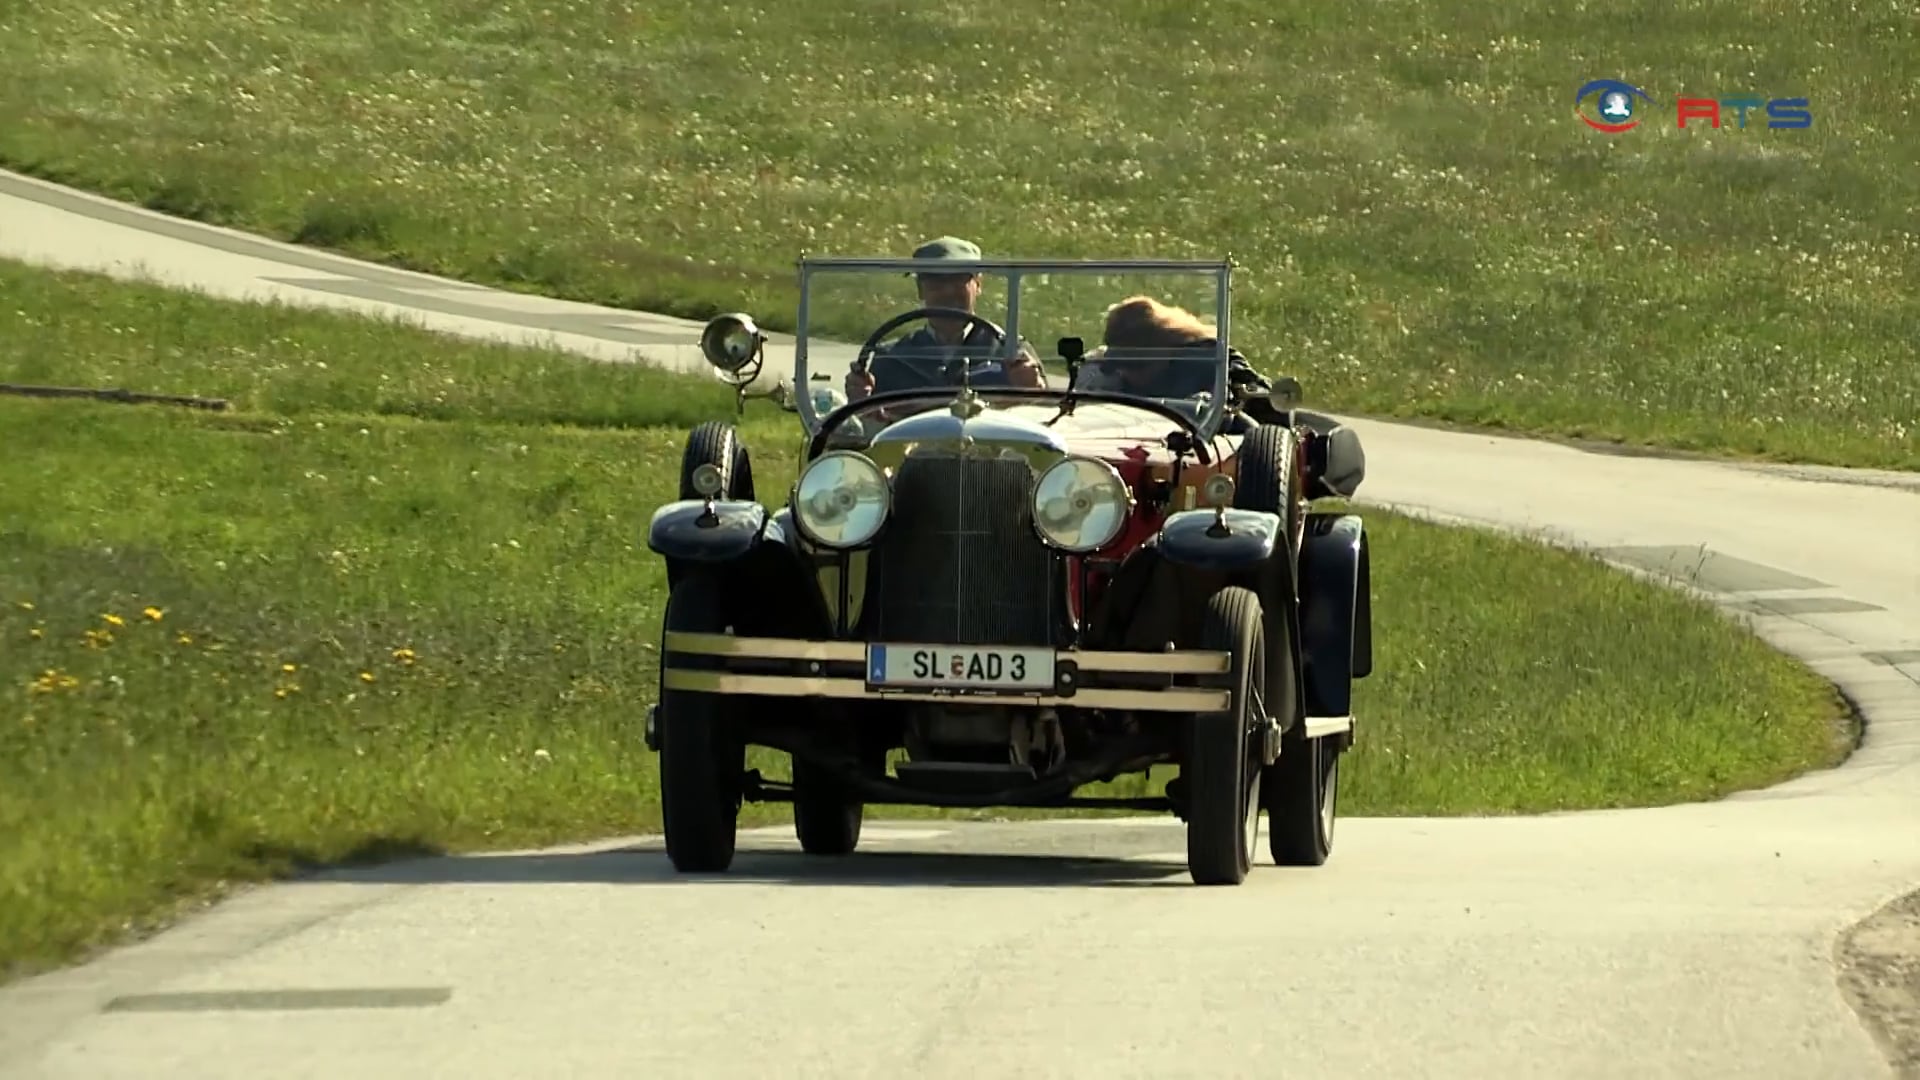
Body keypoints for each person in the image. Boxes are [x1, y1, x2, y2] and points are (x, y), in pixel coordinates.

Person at [844, 236, 1048, 401]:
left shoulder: (1010, 353)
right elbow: (875, 434)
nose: (948, 292)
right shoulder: (892, 358)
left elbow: (1043, 421)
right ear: (920, 290)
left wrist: (1034, 391)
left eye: (958, 280)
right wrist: (862, 401)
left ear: (978, 284)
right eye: (936, 282)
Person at [1074, 294, 1272, 400]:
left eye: (1138, 365)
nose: (1128, 374)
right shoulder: (1108, 373)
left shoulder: (1212, 363)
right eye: (1120, 364)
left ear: (1168, 346)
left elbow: (1262, 400)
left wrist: (1219, 399)